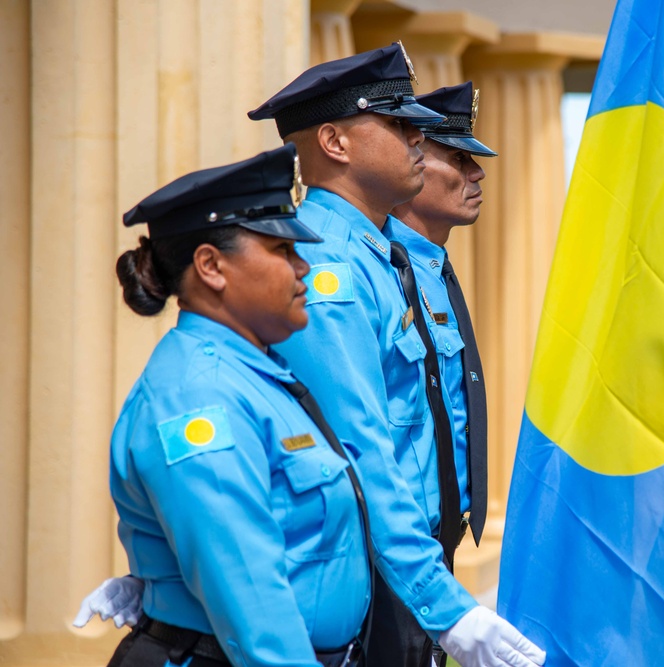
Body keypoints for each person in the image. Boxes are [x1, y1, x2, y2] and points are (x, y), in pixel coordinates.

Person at [249, 44, 543, 667]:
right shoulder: (330, 265)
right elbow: (362, 448)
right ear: (334, 142)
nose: (419, 136)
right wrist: (445, 604)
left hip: (407, 557)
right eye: (399, 123)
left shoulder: (377, 256)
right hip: (378, 566)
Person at [99, 143, 374, 666]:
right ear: (211, 266)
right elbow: (254, 609)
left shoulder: (256, 372)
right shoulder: (198, 397)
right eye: (282, 251)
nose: (304, 269)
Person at [387, 80, 496, 561]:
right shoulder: (383, 267)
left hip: (436, 540)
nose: (476, 174)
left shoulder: (430, 266)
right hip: (398, 547)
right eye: (457, 158)